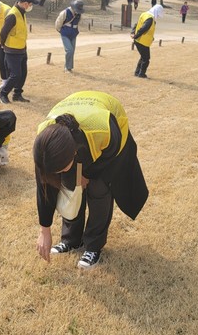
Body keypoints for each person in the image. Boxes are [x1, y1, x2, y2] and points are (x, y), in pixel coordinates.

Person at [33, 91, 148, 269]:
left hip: (112, 140)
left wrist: (88, 174)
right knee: (71, 186)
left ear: (74, 152)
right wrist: (44, 230)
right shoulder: (45, 142)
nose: (58, 174)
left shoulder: (103, 130)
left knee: (99, 189)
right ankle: (71, 240)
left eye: (61, 169)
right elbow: (44, 188)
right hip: (77, 113)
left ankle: (93, 246)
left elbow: (111, 160)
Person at [0, 0, 37, 104]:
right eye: (31, 4)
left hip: (22, 49)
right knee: (15, 75)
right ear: (25, 3)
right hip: (12, 51)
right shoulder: (12, 15)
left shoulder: (22, 12)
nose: (31, 6)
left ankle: (17, 94)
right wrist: (3, 46)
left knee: (23, 73)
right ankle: (3, 94)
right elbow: (3, 33)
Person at [55, 0, 84, 73]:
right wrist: (60, 31)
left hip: (73, 34)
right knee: (69, 50)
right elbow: (58, 22)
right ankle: (67, 68)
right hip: (65, 33)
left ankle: (69, 67)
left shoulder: (79, 14)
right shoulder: (65, 12)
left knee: (72, 51)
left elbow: (78, 23)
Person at [130, 4, 157, 78]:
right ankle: (141, 74)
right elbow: (143, 28)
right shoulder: (150, 18)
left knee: (143, 57)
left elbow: (137, 24)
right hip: (142, 41)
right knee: (146, 58)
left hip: (140, 40)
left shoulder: (144, 14)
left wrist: (133, 32)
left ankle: (137, 72)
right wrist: (135, 35)